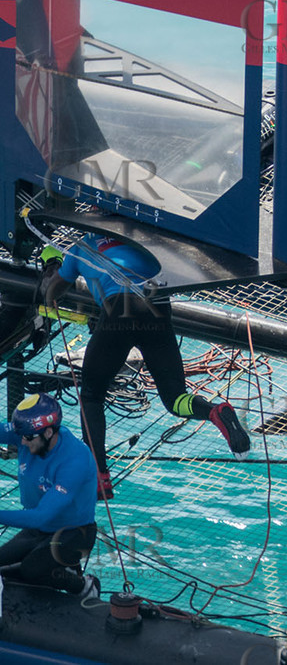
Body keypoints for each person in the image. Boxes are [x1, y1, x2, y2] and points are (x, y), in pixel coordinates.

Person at [38, 238, 251, 500]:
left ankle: (99, 477)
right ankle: (215, 411)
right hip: (157, 309)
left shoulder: (79, 248)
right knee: (175, 399)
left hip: (119, 311)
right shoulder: (141, 238)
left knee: (92, 396)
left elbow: (52, 292)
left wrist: (52, 266)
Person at [0, 394, 99, 596]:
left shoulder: (75, 459)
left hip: (74, 533)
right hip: (39, 530)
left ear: (48, 432)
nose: (23, 443)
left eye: (28, 438)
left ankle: (85, 587)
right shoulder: (26, 433)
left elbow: (41, 516)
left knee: (31, 570)